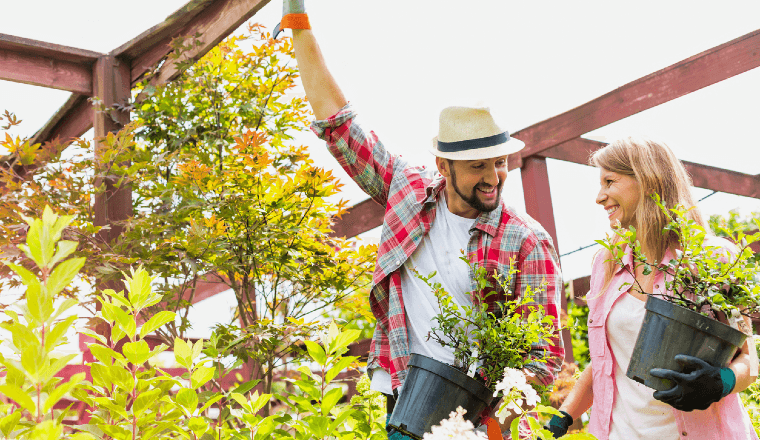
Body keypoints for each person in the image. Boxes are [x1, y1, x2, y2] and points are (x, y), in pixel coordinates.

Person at [273, 1, 564, 438]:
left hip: (484, 413)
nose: (493, 178)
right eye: (476, 167)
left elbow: (542, 352)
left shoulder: (525, 241)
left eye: (499, 162)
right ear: (443, 166)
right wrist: (299, 26)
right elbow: (339, 125)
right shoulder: (408, 193)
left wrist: (491, 425)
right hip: (404, 395)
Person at [545, 137, 759, 439]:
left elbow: (750, 362)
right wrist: (563, 416)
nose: (599, 196)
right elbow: (609, 360)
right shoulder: (608, 262)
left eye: (609, 182)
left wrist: (720, 382)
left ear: (647, 181)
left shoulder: (713, 258)